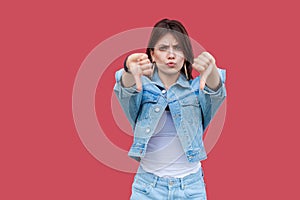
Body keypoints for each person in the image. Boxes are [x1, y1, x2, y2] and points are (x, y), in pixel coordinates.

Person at [114, 18, 226, 200]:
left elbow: (215, 90)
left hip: (191, 189)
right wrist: (128, 68)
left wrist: (212, 70)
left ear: (186, 55)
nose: (171, 55)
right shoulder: (144, 88)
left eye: (178, 48)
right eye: (163, 48)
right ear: (152, 54)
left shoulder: (196, 90)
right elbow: (127, 90)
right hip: (147, 188)